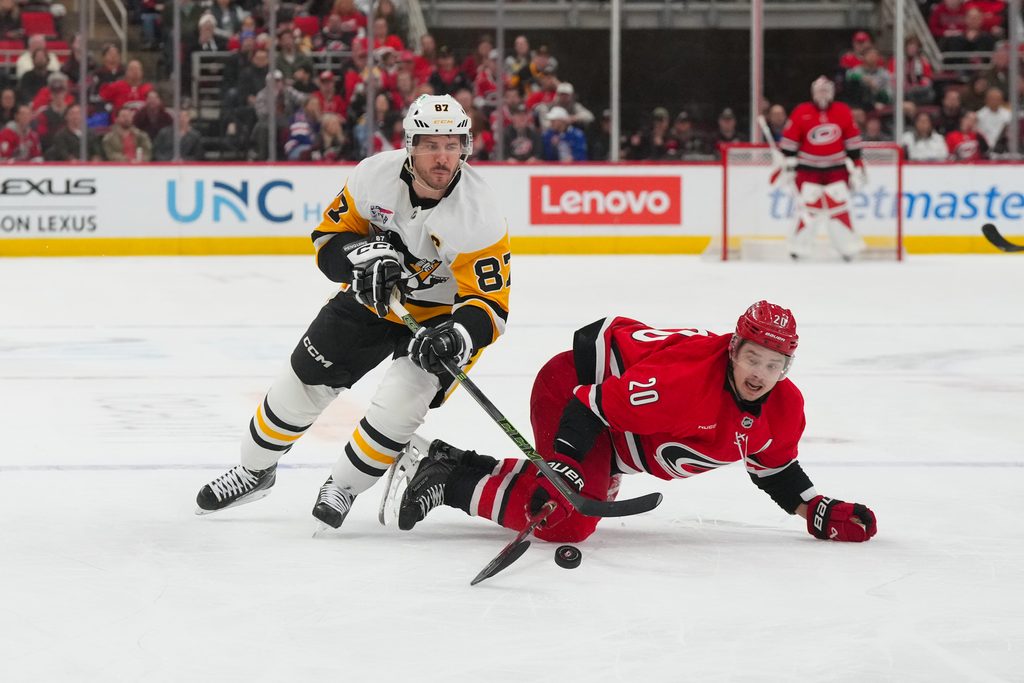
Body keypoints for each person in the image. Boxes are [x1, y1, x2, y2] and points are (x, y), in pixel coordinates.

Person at [195, 94, 512, 530]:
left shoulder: (480, 214)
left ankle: (343, 486)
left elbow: (490, 306)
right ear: (410, 145)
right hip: (373, 299)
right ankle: (254, 472)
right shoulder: (374, 176)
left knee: (399, 407)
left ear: (465, 147)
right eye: (431, 145)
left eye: (452, 145)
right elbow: (329, 241)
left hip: (440, 319)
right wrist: (360, 258)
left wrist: (457, 335)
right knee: (300, 384)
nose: (442, 157)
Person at [390, 301, 877, 546]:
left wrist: (815, 508)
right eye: (752, 358)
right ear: (733, 350)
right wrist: (568, 461)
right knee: (570, 519)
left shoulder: (784, 407)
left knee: (580, 491)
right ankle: (449, 481)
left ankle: (455, 461)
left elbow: (774, 468)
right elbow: (587, 406)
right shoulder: (681, 385)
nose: (759, 375)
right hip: (573, 389)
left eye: (774, 365)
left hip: (618, 427)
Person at [780, 76, 866, 261]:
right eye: (819, 91)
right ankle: (798, 246)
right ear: (813, 93)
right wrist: (788, 162)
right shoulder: (801, 111)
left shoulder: (842, 110)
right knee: (809, 208)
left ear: (832, 93)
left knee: (839, 207)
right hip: (807, 169)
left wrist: (857, 165)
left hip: (837, 169)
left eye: (826, 90)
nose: (823, 94)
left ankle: (847, 247)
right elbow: (789, 142)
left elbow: (852, 140)